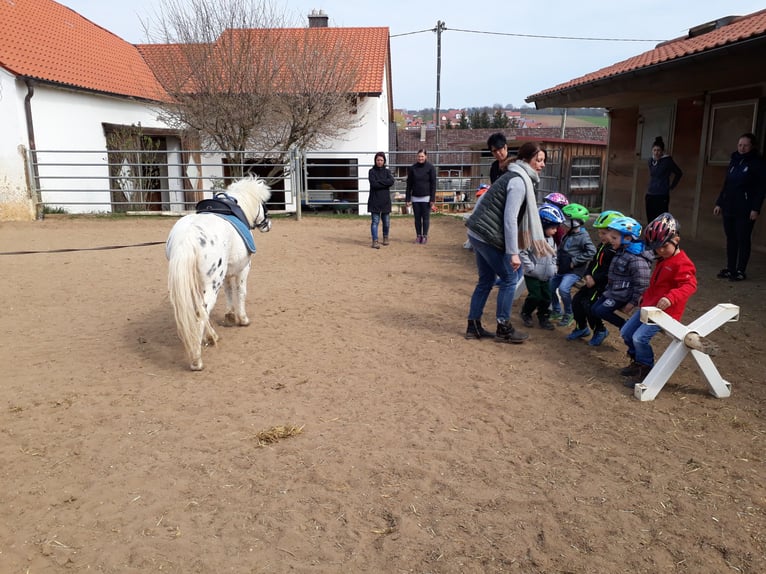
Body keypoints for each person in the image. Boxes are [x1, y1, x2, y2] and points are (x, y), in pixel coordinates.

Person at [464, 141, 554, 343]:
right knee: (509, 279)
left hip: (477, 232)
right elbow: (510, 218)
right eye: (538, 160)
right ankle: (503, 327)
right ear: (526, 159)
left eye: (543, 161)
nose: (542, 164)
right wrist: (513, 252)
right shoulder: (519, 182)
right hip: (487, 235)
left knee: (486, 280)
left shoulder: (515, 175)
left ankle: (474, 326)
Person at [621, 213, 697, 388]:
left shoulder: (682, 263)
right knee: (626, 332)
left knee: (640, 338)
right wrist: (646, 295)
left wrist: (670, 298)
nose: (660, 250)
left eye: (663, 246)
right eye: (656, 247)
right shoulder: (663, 259)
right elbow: (657, 284)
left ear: (676, 239)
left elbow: (689, 285)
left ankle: (646, 368)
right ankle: (638, 362)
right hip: (649, 307)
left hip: (665, 313)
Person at [589, 216, 652, 343]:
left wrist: (632, 303)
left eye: (614, 238)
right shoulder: (621, 250)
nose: (610, 240)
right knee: (595, 309)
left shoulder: (636, 258)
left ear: (628, 238)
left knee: (601, 310)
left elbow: (642, 283)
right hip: (614, 291)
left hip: (622, 295)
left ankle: (625, 325)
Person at [713, 132, 765, 281]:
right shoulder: (734, 161)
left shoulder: (757, 163)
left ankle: (741, 270)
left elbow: (761, 189)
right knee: (731, 238)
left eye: (745, 145)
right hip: (729, 206)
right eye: (740, 145)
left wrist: (756, 208)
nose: (742, 148)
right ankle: (730, 268)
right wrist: (719, 203)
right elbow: (727, 184)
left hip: (746, 208)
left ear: (752, 146)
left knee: (743, 238)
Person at [567, 210, 623, 346]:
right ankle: (581, 327)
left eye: (604, 233)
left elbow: (610, 271)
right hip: (590, 281)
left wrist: (595, 279)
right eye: (599, 232)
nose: (600, 236)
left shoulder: (616, 251)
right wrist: (587, 274)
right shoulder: (602, 246)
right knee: (576, 301)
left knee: (589, 306)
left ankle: (600, 330)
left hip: (601, 286)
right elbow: (593, 262)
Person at [549, 203, 596, 328]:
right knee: (551, 287)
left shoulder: (584, 237)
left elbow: (592, 252)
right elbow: (561, 249)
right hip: (563, 268)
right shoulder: (567, 234)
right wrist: (558, 262)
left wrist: (575, 261)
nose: (564, 222)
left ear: (577, 222)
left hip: (574, 271)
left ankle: (569, 314)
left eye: (568, 220)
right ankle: (557, 311)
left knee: (564, 289)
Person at [519, 204, 563, 330]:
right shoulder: (532, 239)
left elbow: (554, 254)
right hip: (532, 275)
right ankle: (526, 313)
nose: (555, 231)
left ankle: (543, 316)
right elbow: (523, 252)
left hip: (547, 275)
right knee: (535, 296)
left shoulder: (551, 240)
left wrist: (554, 268)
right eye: (553, 228)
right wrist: (530, 267)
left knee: (547, 297)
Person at [646, 136, 682, 223]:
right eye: (654, 150)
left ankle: (661, 236)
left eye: (658, 150)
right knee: (650, 218)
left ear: (662, 151)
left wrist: (671, 186)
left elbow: (679, 173)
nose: (656, 153)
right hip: (650, 193)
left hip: (662, 194)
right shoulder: (650, 161)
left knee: (661, 220)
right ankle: (651, 236)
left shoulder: (667, 161)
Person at [405, 149, 436, 244]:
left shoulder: (430, 167)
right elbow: (409, 184)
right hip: (415, 197)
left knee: (425, 218)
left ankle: (425, 236)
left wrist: (432, 199)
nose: (420, 158)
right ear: (416, 157)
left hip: (426, 197)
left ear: (426, 156)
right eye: (419, 156)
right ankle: (418, 235)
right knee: (417, 218)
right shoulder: (412, 168)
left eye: (422, 156)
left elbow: (433, 184)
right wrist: (408, 198)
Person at [367, 151, 395, 249]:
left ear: (384, 161)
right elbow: (373, 184)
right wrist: (384, 183)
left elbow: (391, 181)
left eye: (381, 160)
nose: (379, 162)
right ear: (375, 160)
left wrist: (379, 181)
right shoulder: (371, 171)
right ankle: (375, 240)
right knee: (375, 221)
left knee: (386, 222)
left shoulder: (387, 172)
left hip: (385, 201)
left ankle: (385, 237)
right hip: (374, 201)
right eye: (378, 160)